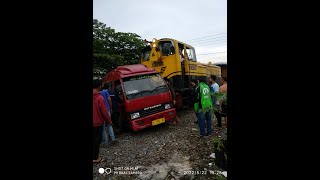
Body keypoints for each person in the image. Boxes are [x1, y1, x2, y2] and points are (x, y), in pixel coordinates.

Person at [93, 78, 112, 163]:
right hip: (97, 123)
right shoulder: (99, 98)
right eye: (102, 84)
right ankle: (96, 158)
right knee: (97, 141)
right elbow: (104, 112)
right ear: (100, 86)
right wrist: (109, 121)